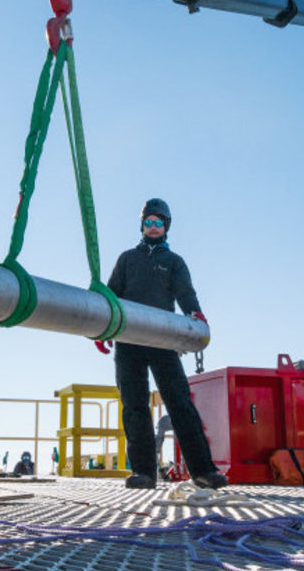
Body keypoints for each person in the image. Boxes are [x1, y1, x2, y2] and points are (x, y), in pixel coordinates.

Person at [96, 198, 227, 491]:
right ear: (142, 225)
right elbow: (111, 296)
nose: (153, 227)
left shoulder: (173, 262)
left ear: (166, 227)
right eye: (148, 222)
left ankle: (204, 470)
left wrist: (196, 316)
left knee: (180, 403)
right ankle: (143, 472)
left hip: (162, 339)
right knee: (134, 405)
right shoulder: (127, 259)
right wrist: (102, 330)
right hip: (128, 340)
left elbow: (186, 295)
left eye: (158, 222)